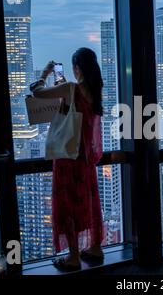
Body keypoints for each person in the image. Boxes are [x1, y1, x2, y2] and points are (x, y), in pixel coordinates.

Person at [31, 48, 104, 271]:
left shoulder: (71, 89)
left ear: (77, 68)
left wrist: (45, 73)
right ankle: (95, 248)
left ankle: (73, 257)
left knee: (68, 207)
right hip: (85, 161)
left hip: (67, 159)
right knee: (87, 203)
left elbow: (38, 93)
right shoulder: (95, 91)